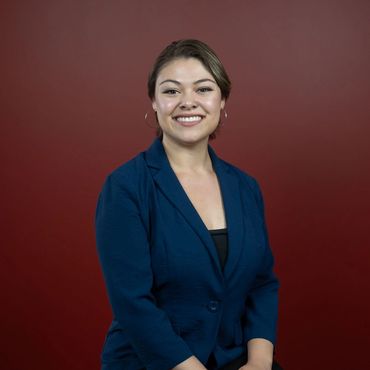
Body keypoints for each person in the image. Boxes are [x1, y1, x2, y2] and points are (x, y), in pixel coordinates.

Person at [95, 39, 281, 370]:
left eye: (203, 89)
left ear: (222, 100)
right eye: (171, 91)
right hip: (152, 363)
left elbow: (262, 284)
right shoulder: (125, 187)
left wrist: (260, 361)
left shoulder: (245, 187)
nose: (187, 102)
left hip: (233, 359)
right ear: (153, 101)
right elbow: (132, 303)